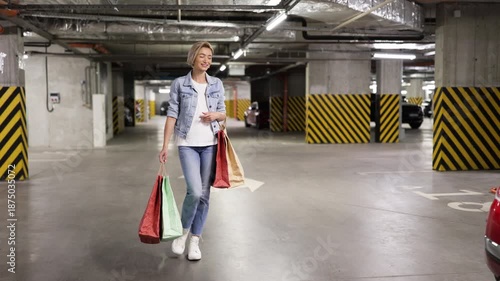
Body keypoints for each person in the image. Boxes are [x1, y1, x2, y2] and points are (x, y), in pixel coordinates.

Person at [158, 41, 226, 261]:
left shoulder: (216, 83)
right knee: (194, 191)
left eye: (210, 57)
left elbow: (223, 112)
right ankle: (183, 232)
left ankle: (195, 240)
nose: (206, 60)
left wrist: (216, 115)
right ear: (193, 58)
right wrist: (165, 144)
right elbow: (172, 114)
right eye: (202, 56)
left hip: (210, 144)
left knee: (205, 195)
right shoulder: (179, 84)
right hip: (187, 143)